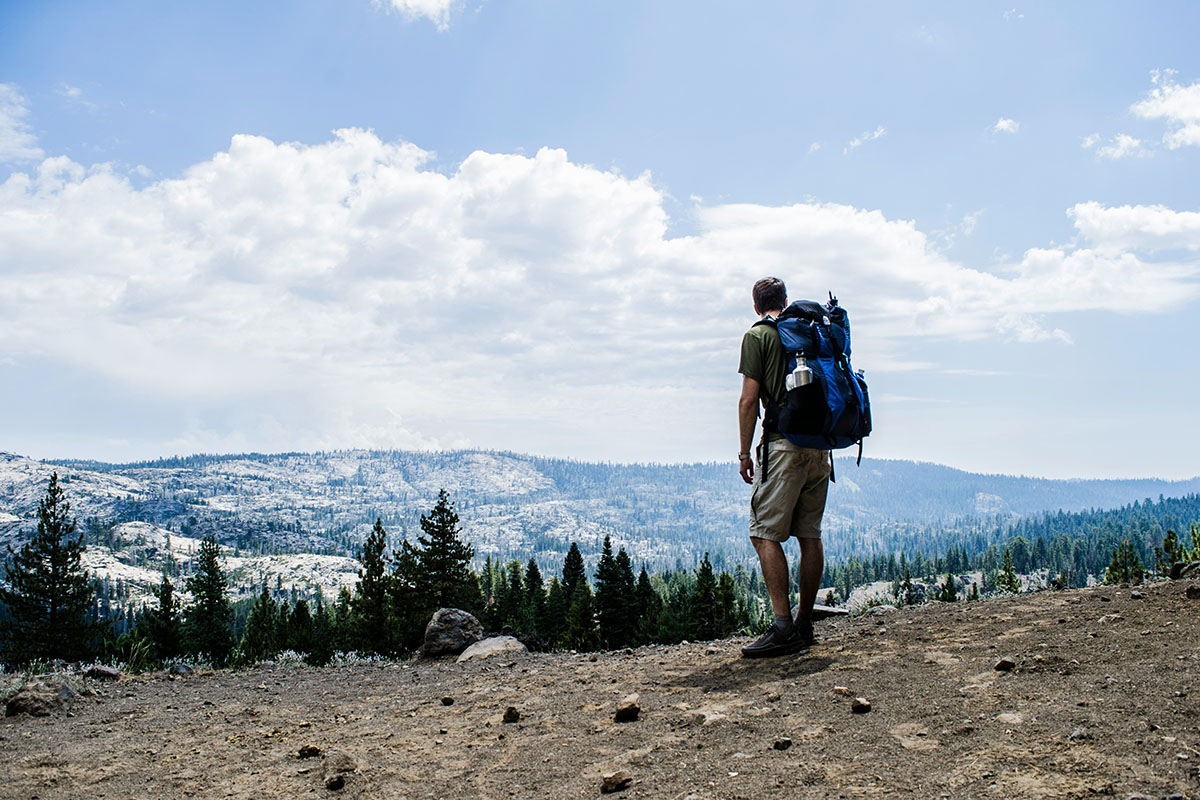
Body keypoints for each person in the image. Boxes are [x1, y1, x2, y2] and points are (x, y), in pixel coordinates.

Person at [737, 276, 831, 658]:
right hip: (820, 447)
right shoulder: (808, 333)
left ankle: (782, 628)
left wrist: (745, 454)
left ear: (756, 305)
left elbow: (748, 401)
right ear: (786, 300)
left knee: (763, 534)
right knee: (810, 534)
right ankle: (804, 623)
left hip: (783, 445)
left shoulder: (758, 336)